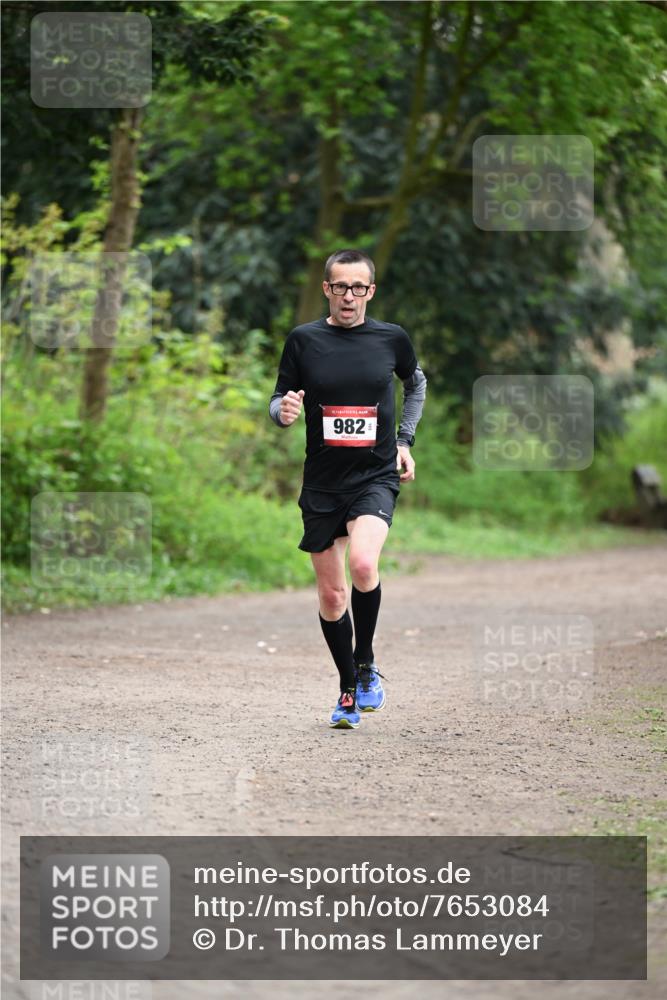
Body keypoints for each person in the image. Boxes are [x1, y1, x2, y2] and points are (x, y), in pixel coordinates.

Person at [269, 249, 427, 729]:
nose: (349, 297)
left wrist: (404, 440)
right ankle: (346, 691)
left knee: (362, 563)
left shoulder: (391, 339)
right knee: (333, 595)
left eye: (359, 288)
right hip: (321, 482)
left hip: (374, 475)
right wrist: (284, 412)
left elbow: (415, 384)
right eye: (340, 287)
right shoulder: (304, 340)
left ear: (370, 292)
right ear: (327, 290)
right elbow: (279, 399)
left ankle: (365, 665)